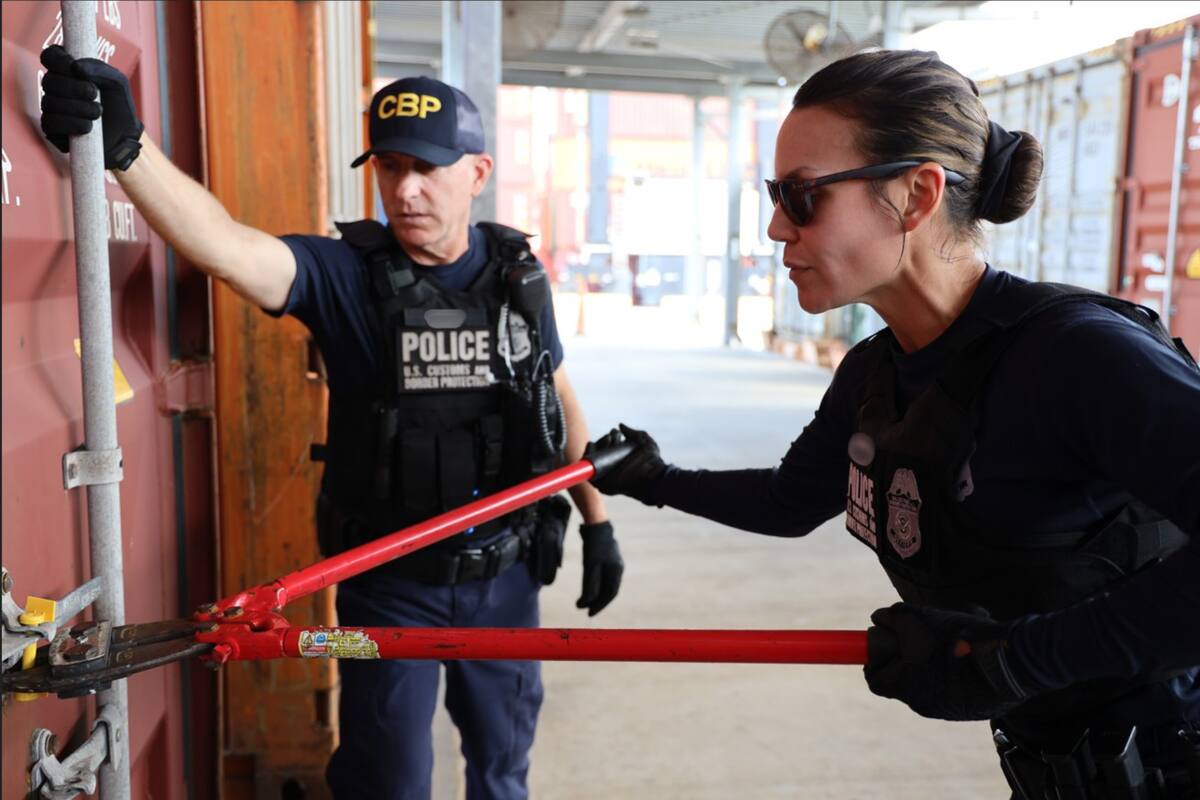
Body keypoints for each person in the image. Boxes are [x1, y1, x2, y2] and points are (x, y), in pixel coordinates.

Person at [586, 49, 1200, 799]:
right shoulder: (876, 372)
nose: (776, 228)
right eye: (774, 197)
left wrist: (1015, 662)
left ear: (916, 194)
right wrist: (655, 479)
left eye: (802, 196)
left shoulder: (1079, 356)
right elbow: (789, 502)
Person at [39, 48, 624, 800]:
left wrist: (597, 523)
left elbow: (556, 396)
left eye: (427, 168)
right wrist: (128, 150)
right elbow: (227, 246)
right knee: (388, 782)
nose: (405, 190)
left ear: (477, 173)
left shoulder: (518, 279)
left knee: (502, 770)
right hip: (389, 586)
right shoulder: (345, 276)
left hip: (505, 577)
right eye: (389, 167)